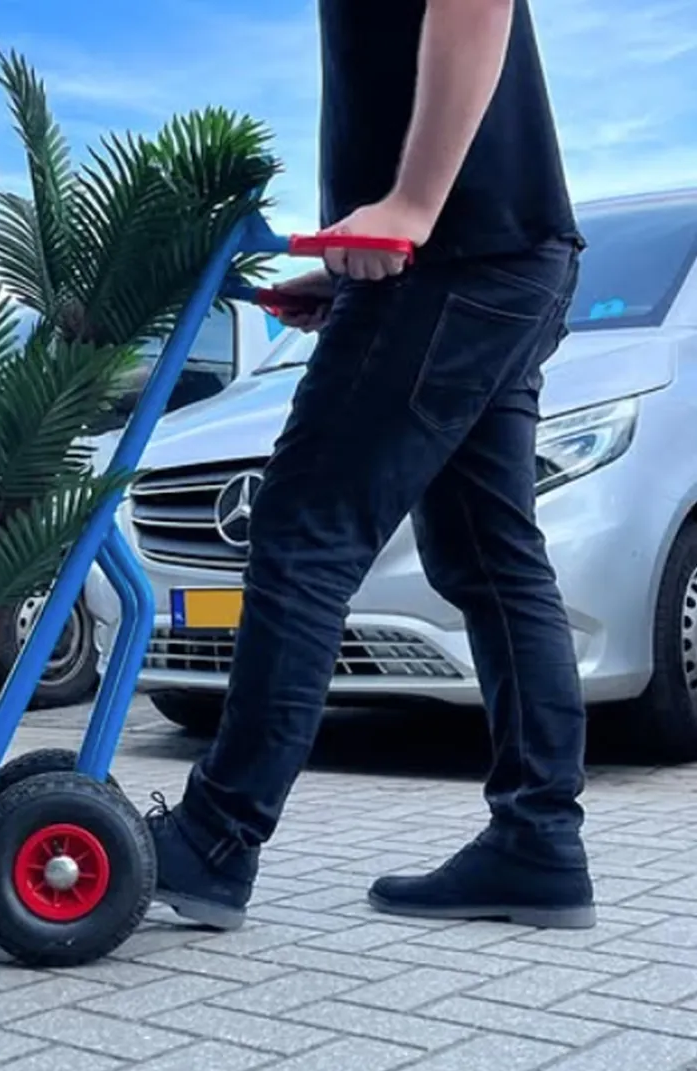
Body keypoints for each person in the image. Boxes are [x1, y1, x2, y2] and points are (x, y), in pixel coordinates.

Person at [146, 0, 596, 932]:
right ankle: (538, 843)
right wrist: (360, 246)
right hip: (498, 252)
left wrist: (414, 210)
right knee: (489, 558)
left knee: (306, 528)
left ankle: (218, 836)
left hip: (457, 256)